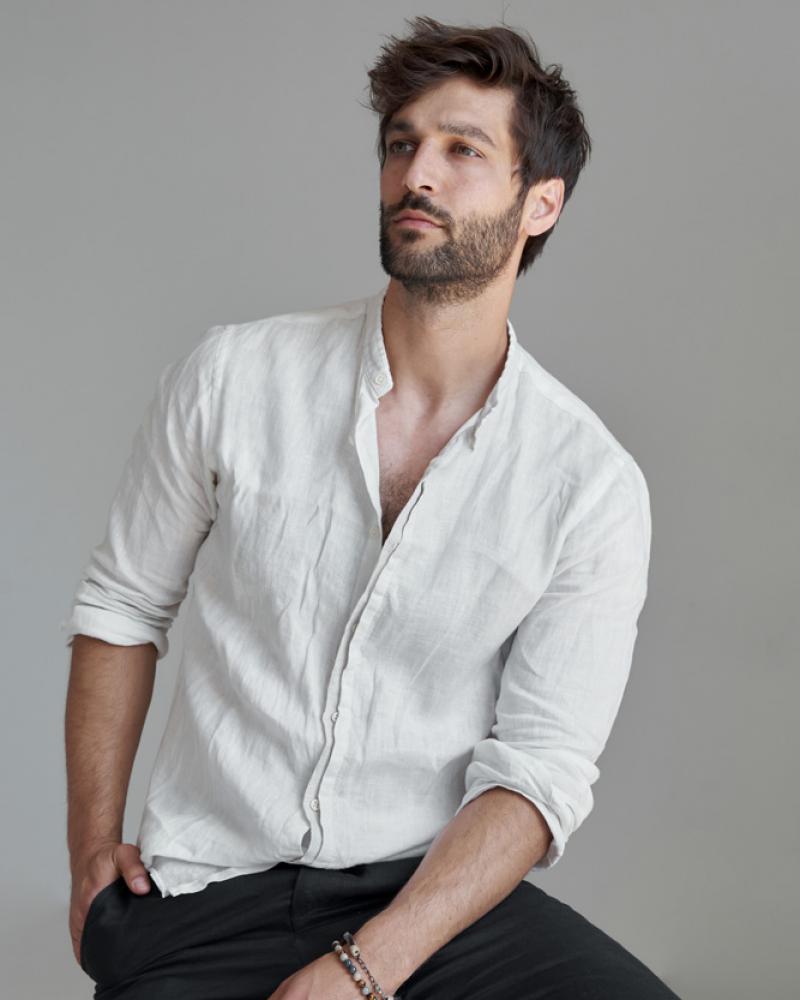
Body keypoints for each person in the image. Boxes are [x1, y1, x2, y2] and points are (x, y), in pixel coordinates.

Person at [62, 15, 679, 1000]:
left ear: (541, 202)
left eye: (461, 150)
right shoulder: (234, 377)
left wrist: (363, 969)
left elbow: (537, 774)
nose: (415, 175)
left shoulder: (587, 484)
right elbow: (121, 608)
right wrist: (91, 849)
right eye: (401, 144)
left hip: (426, 898)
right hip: (206, 887)